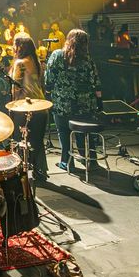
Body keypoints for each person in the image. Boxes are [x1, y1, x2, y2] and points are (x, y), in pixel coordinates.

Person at [44, 28, 103, 172]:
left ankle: (67, 162)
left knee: (64, 132)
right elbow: (95, 82)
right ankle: (91, 161)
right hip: (84, 105)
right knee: (84, 133)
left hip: (62, 104)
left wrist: (49, 90)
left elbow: (49, 79)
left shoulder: (57, 55)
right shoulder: (87, 59)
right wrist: (99, 102)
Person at [8, 35, 47, 182]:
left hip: (24, 107)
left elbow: (15, 89)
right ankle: (40, 170)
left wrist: (12, 105)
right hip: (41, 105)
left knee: (20, 139)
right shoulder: (37, 62)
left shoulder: (20, 63)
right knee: (37, 140)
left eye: (14, 45)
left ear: (19, 47)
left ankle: (20, 171)